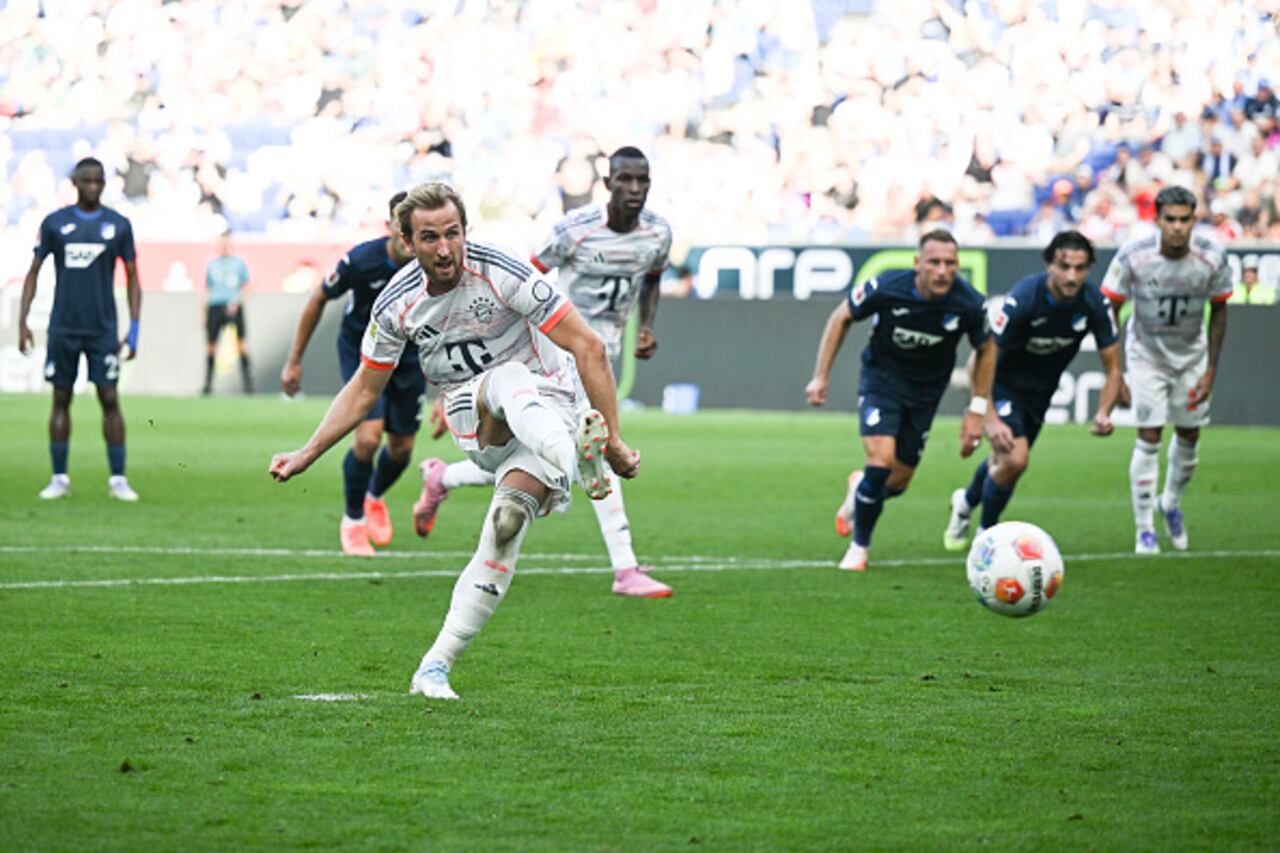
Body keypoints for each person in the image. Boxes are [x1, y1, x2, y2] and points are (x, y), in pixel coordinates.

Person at [269, 182, 639, 700]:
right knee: (507, 378)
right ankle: (577, 454)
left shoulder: (504, 272)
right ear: (404, 240)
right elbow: (364, 388)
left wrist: (615, 440)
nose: (444, 249)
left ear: (466, 230)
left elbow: (588, 346)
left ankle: (434, 667)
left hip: (551, 409)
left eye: (453, 234)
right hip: (474, 414)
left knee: (506, 524)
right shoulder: (397, 304)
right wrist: (307, 452)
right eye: (429, 238)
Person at [413, 146, 674, 598]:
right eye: (625, 180)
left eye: (643, 181)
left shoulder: (658, 234)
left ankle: (442, 478)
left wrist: (646, 326)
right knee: (594, 447)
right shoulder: (573, 232)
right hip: (564, 352)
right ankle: (626, 568)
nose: (635, 189)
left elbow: (651, 278)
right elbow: (524, 282)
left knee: (542, 455)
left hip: (602, 353)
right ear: (607, 183)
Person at [805, 230, 1013, 571]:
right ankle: (860, 548)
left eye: (950, 263)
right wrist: (821, 375)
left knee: (897, 482)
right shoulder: (887, 287)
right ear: (918, 264)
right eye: (934, 262)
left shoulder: (969, 303)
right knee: (881, 461)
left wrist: (977, 411)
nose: (943, 271)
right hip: (881, 382)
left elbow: (987, 347)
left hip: (925, 394)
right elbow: (841, 317)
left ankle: (860, 491)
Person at [944, 231, 1123, 549]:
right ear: (1049, 265)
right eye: (1064, 266)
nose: (1071, 276)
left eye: (1080, 268)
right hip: (1001, 385)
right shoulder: (1025, 299)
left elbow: (1113, 368)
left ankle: (965, 502)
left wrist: (1104, 412)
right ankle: (987, 536)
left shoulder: (1095, 303)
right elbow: (977, 362)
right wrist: (988, 416)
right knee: (1015, 460)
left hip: (1040, 395)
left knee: (1005, 464)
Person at [279, 192, 424, 556]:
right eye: (401, 223)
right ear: (392, 225)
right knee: (368, 438)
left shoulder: (433, 265)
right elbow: (317, 298)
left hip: (410, 358)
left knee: (403, 448)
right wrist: (294, 359)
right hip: (363, 354)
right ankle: (354, 520)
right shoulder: (361, 260)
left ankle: (374, 495)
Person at [1099, 186, 1232, 554]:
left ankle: (1169, 503)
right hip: (1146, 356)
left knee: (1190, 435)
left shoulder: (1213, 257)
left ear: (1194, 220)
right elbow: (1108, 307)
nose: (1177, 227)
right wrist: (1116, 371)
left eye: (1184, 219)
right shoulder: (1133, 256)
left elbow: (1220, 310)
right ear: (1156, 220)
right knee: (1149, 434)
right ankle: (1144, 529)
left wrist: (1210, 371)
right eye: (1170, 219)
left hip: (1191, 357)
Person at [17, 157, 142, 502]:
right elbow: (33, 272)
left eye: (98, 181)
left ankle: (118, 478)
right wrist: (22, 321)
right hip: (64, 327)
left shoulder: (118, 225)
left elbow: (133, 277)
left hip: (102, 329)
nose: (93, 186)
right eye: (87, 181)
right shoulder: (56, 224)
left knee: (110, 398)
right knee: (61, 398)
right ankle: (59, 477)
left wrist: (134, 330)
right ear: (75, 182)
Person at [202, 231, 253, 394]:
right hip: (215, 306)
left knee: (241, 345)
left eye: (226, 244)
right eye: (221, 244)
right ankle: (208, 384)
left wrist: (238, 301)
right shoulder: (212, 265)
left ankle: (248, 385)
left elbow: (247, 287)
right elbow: (206, 289)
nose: (224, 247)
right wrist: (203, 312)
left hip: (233, 306)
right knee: (211, 346)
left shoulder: (238, 264)